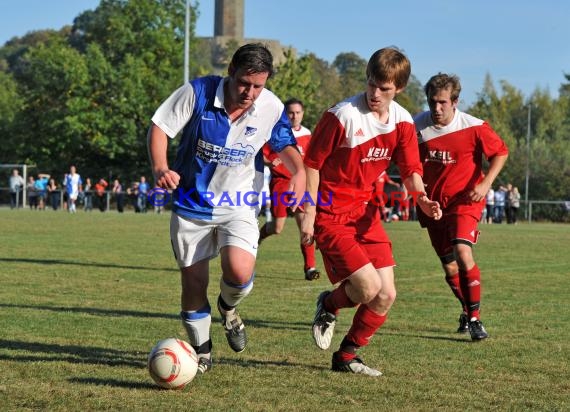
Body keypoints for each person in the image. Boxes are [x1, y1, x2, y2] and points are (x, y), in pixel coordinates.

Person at [147, 43, 306, 375]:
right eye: (244, 83)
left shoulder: (271, 107)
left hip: (239, 204)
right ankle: (202, 352)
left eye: (258, 86)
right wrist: (161, 168)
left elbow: (285, 145)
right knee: (193, 284)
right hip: (191, 204)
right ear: (231, 71)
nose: (249, 92)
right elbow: (160, 127)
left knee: (239, 272)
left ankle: (228, 308)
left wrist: (300, 173)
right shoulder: (198, 92)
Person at [301, 47, 442, 376]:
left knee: (386, 294)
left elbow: (409, 169)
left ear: (400, 89)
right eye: (371, 84)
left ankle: (347, 356)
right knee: (366, 288)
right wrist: (309, 212)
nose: (375, 93)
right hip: (331, 214)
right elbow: (311, 164)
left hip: (365, 215)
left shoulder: (403, 122)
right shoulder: (342, 116)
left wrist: (420, 197)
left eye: (385, 88)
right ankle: (329, 304)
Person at [414, 73, 508, 341]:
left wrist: (486, 182)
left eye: (443, 102)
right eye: (433, 102)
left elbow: (500, 152)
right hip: (432, 205)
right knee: (450, 268)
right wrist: (420, 195)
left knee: (463, 254)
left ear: (455, 102)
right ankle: (467, 311)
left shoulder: (474, 126)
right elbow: (409, 164)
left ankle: (476, 320)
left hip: (465, 201)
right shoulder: (415, 127)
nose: (436, 108)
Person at [258, 98, 320, 281]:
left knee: (305, 225)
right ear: (285, 114)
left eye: (298, 112)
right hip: (281, 183)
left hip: (301, 185)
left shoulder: (308, 136)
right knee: (277, 228)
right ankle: (258, 237)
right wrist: (272, 161)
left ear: (303, 114)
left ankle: (310, 268)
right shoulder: (276, 132)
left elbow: (313, 161)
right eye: (291, 112)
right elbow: (262, 155)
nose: (294, 116)